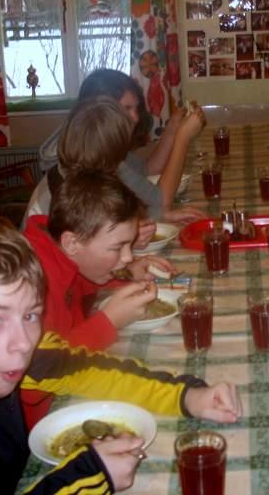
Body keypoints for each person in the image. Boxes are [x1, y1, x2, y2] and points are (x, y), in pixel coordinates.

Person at [0, 215, 241, 494]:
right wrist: (88, 476)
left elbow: (88, 369)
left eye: (30, 315)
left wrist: (188, 395)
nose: (22, 343)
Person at [23, 169, 178, 427]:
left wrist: (127, 273)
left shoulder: (58, 250)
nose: (128, 256)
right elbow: (34, 379)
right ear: (72, 243)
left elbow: (77, 284)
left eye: (129, 245)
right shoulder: (30, 283)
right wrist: (109, 322)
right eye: (118, 247)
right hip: (47, 418)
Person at [30, 69, 205, 224]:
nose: (135, 117)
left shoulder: (96, 145)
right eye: (126, 108)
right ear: (101, 112)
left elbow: (146, 170)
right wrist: (183, 138)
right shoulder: (93, 159)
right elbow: (161, 203)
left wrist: (172, 130)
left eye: (136, 108)